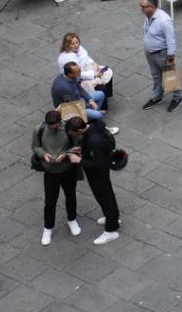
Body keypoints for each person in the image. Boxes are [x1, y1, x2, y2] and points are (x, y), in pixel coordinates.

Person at [32, 109, 81, 245]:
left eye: (54, 126)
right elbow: (35, 146)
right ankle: (48, 227)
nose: (52, 129)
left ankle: (72, 219)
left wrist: (64, 155)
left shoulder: (68, 129)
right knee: (50, 201)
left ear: (60, 123)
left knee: (70, 195)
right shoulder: (40, 129)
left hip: (67, 170)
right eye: (49, 126)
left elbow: (78, 146)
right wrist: (43, 155)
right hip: (50, 172)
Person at [75, 115, 122, 245]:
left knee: (105, 198)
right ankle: (113, 218)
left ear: (79, 130)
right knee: (107, 196)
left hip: (98, 174)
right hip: (102, 172)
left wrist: (80, 161)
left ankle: (111, 230)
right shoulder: (96, 128)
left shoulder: (93, 140)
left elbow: (98, 163)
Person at [139, 0, 181, 112]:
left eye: (143, 7)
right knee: (156, 75)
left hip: (162, 54)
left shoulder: (164, 20)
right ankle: (157, 96)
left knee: (170, 76)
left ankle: (177, 98)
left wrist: (170, 58)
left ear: (151, 7)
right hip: (150, 53)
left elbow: (171, 40)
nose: (141, 9)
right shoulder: (148, 16)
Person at [52, 61, 112, 127]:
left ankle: (92, 119)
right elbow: (74, 104)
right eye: (78, 71)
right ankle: (101, 127)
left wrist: (90, 100)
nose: (81, 71)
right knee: (99, 115)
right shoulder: (65, 88)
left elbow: (79, 88)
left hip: (77, 99)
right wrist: (90, 105)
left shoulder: (70, 76)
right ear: (70, 74)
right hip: (69, 107)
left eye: (80, 69)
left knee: (100, 94)